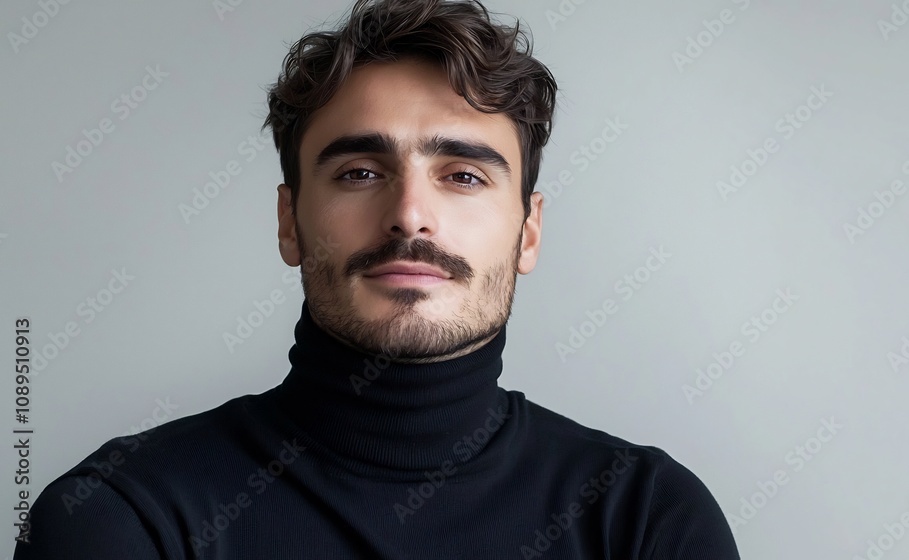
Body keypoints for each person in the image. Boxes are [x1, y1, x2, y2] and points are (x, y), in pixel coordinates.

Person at [15, 0, 740, 557]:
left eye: (461, 175)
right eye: (361, 172)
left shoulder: (646, 520)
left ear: (529, 231)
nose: (410, 216)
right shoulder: (125, 518)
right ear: (290, 220)